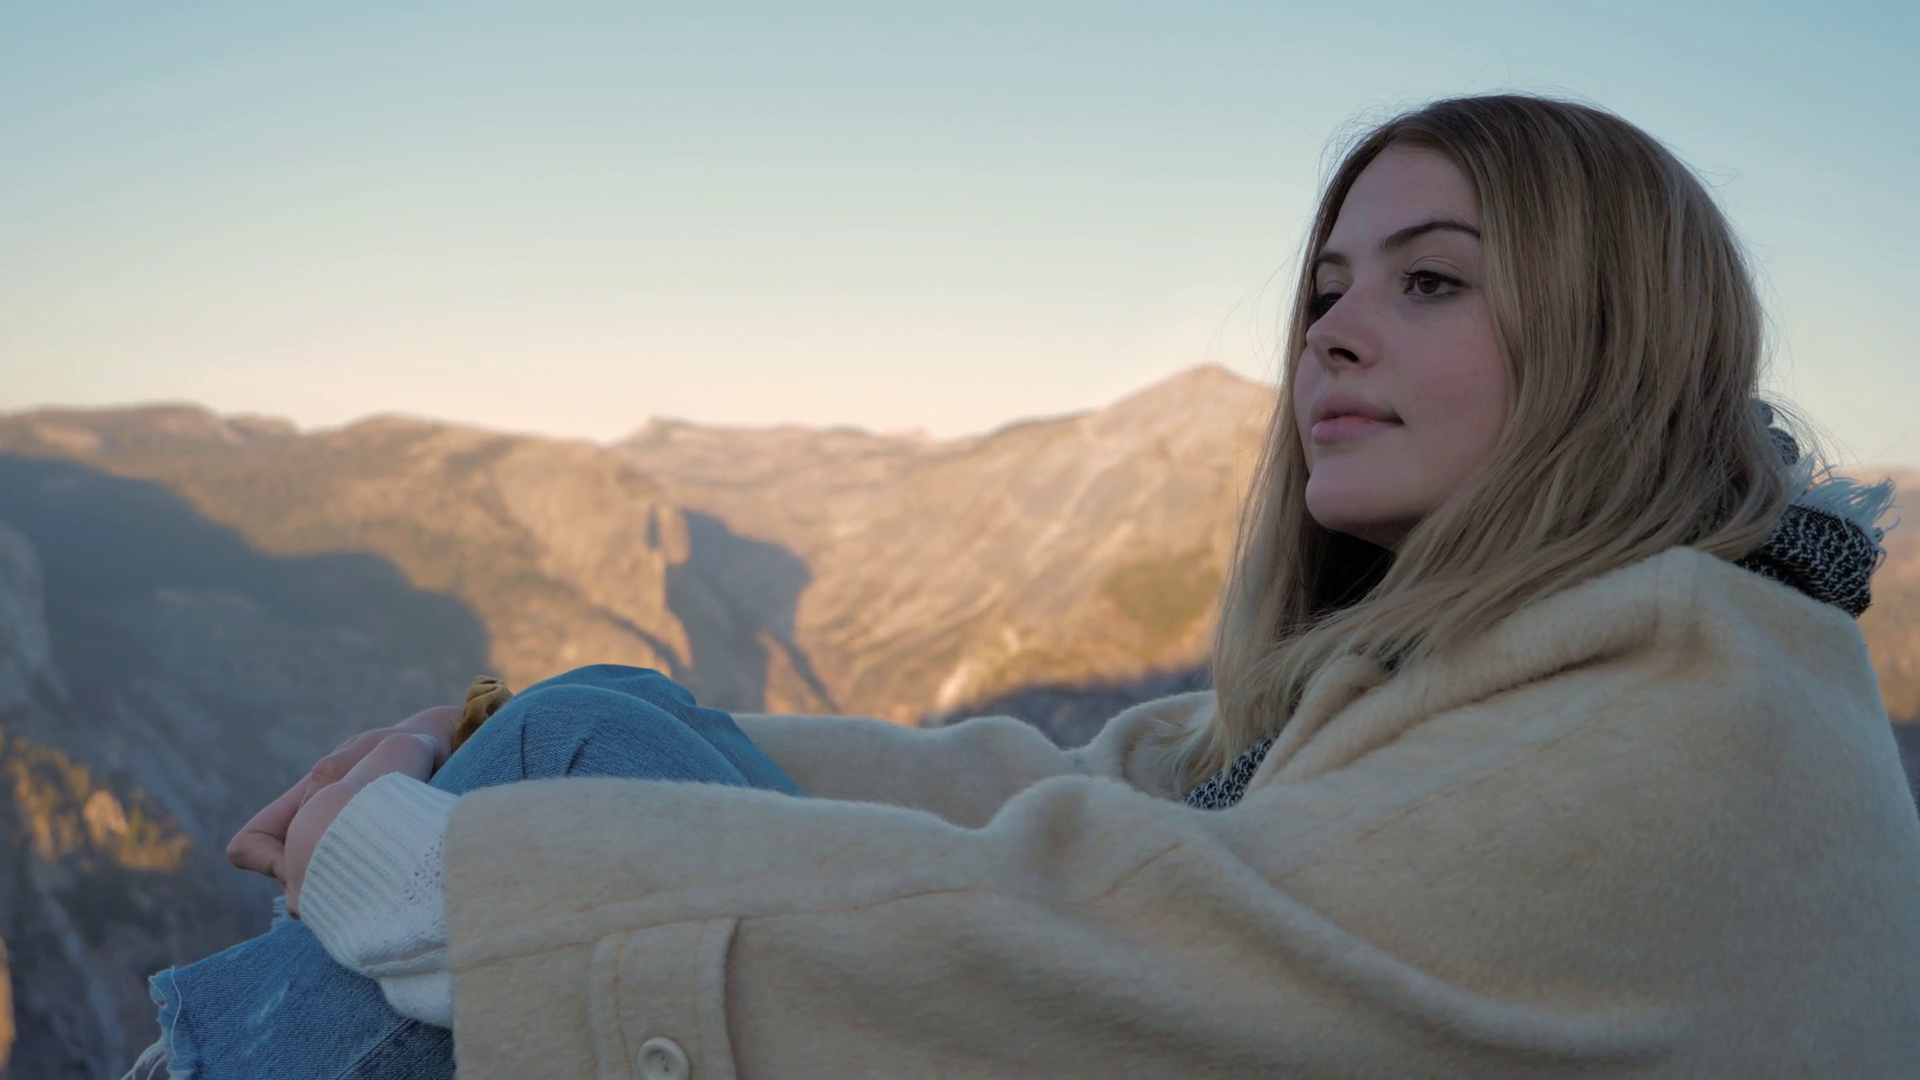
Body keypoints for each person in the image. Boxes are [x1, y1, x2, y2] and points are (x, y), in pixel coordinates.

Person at [127, 93, 1920, 1079]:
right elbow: (1100, 788)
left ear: (1613, 333)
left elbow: (1083, 945)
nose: (1330, 334)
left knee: (467, 909)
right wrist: (536, 743)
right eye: (1325, 290)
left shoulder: (1666, 733)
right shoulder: (1584, 646)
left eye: (1430, 281)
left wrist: (447, 885)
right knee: (584, 727)